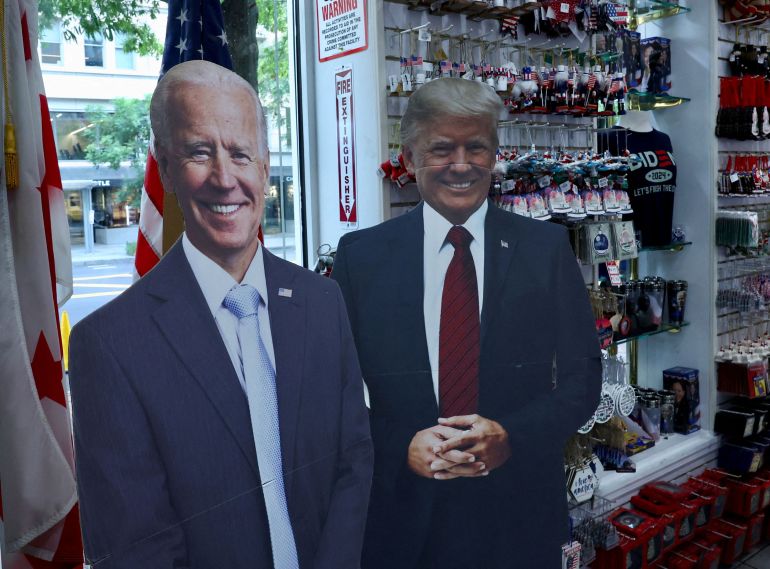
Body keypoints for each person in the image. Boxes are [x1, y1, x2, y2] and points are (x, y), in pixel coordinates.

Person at [69, 60, 373, 569]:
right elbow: (134, 549)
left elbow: (354, 463)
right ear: (164, 167)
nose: (224, 178)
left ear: (264, 165)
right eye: (199, 152)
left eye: (239, 153)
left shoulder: (323, 303)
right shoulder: (110, 345)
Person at [332, 78, 602, 569]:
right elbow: (336, 394)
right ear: (410, 158)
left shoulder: (545, 251)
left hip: (517, 513)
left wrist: (511, 436)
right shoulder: (361, 258)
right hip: (402, 517)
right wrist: (399, 446)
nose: (461, 165)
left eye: (475, 147)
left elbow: (583, 382)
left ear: (495, 154)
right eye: (441, 148)